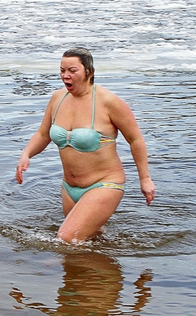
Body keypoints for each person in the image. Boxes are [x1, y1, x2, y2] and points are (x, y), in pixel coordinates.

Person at [15, 47, 156, 242]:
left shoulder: (109, 102)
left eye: (72, 71)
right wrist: (26, 154)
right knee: (89, 241)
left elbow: (135, 140)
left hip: (104, 184)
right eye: (62, 70)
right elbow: (43, 134)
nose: (66, 76)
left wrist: (145, 179)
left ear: (89, 72)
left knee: (65, 239)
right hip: (69, 188)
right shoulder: (58, 98)